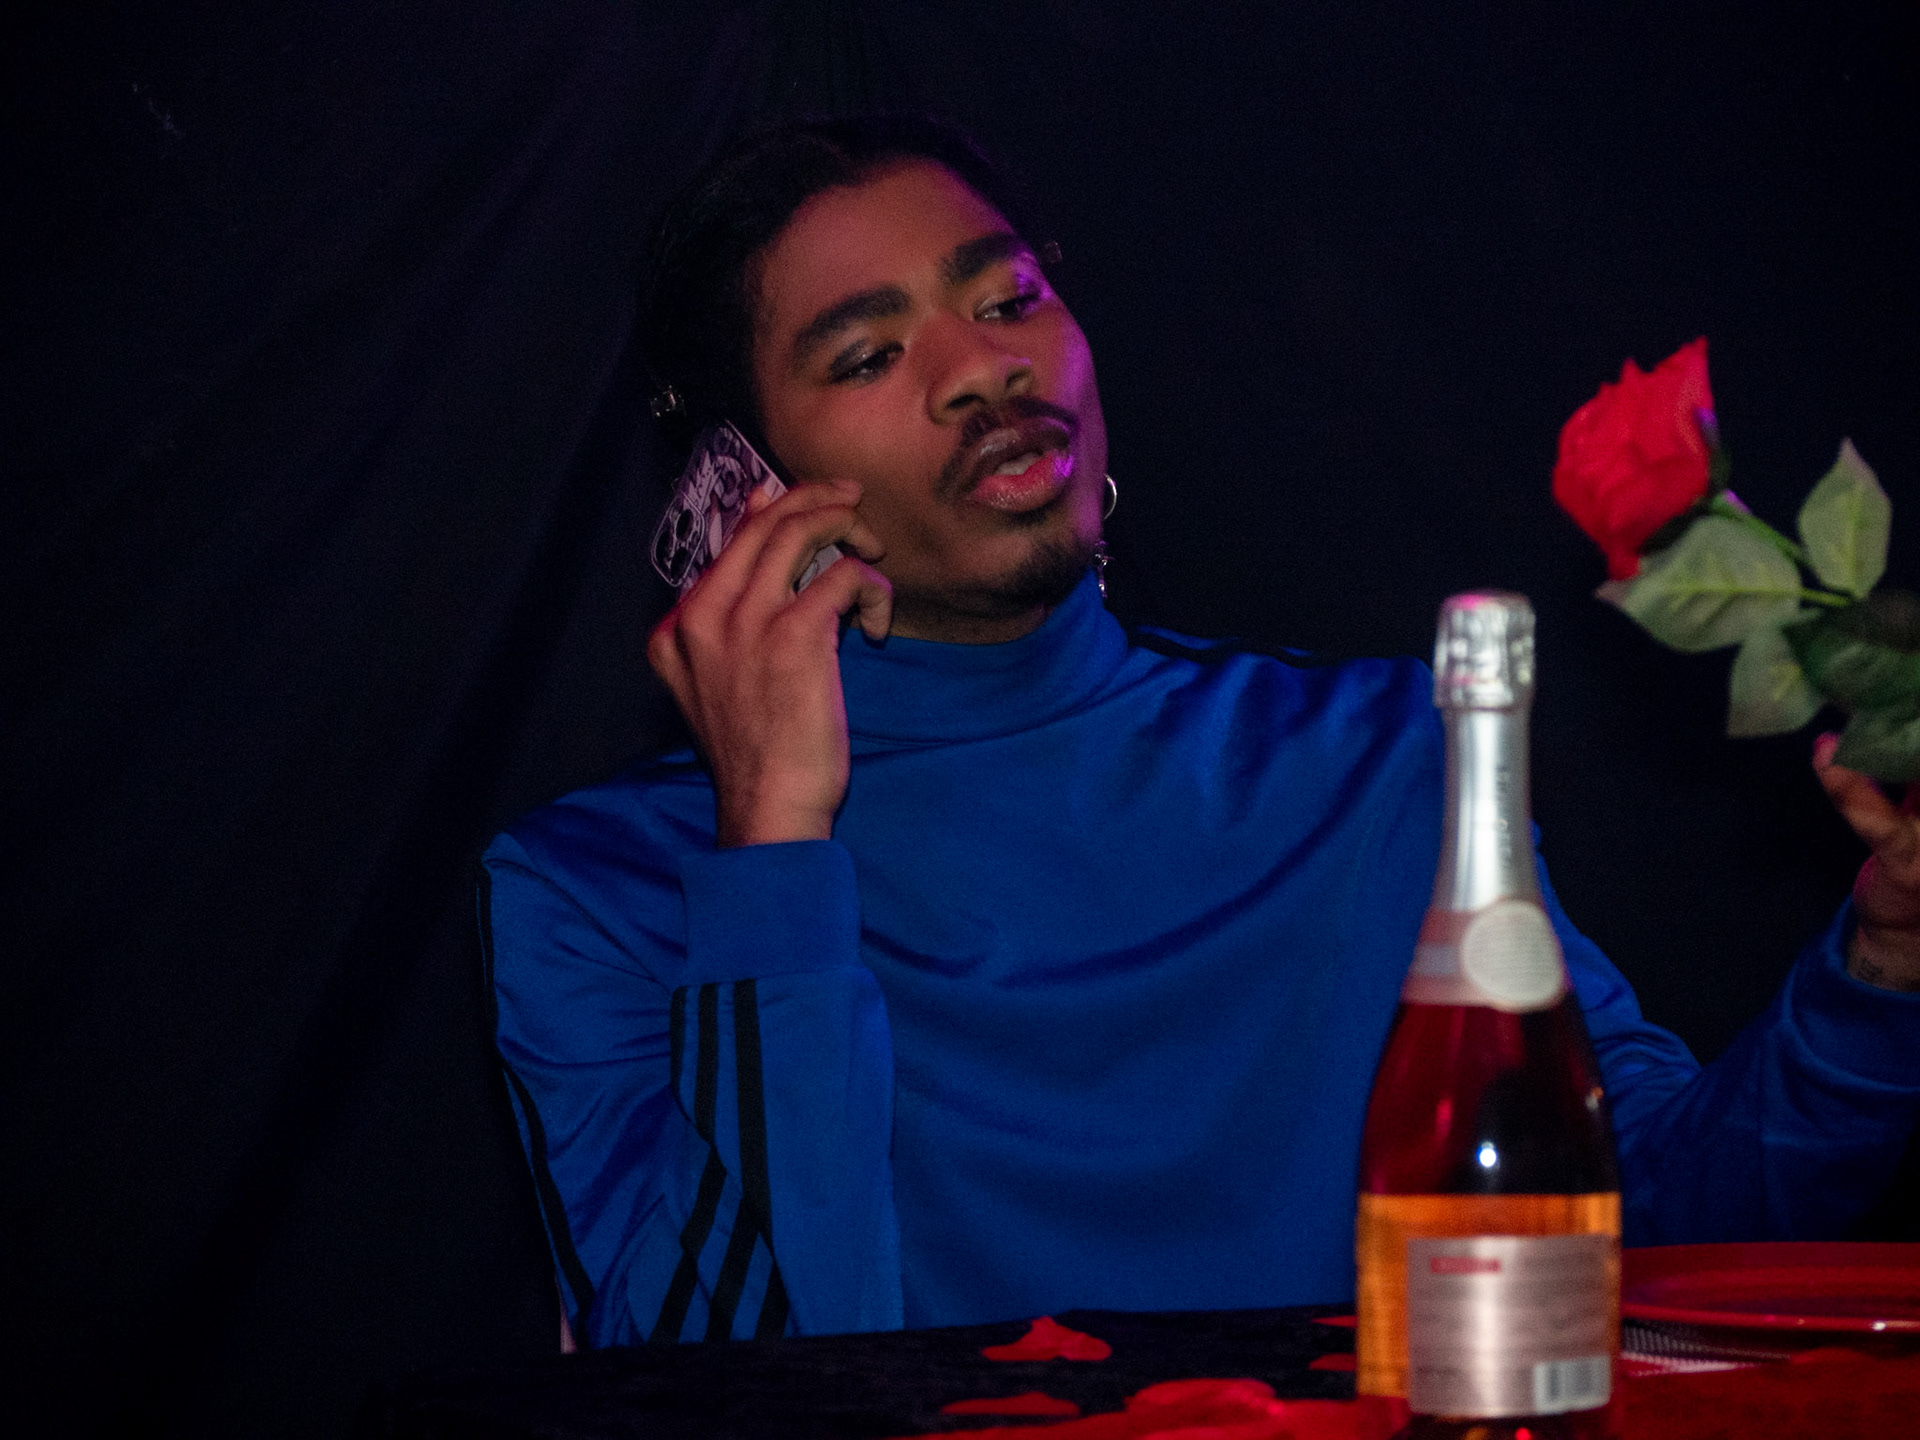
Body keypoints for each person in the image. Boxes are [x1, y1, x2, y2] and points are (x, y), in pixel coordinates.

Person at [481, 116, 1920, 1349]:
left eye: (1009, 297)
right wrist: (775, 859)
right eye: (868, 354)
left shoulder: (1375, 764)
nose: (980, 368)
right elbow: (709, 1386)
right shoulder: (599, 894)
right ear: (738, 485)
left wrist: (1889, 964)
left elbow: (1652, 1228)